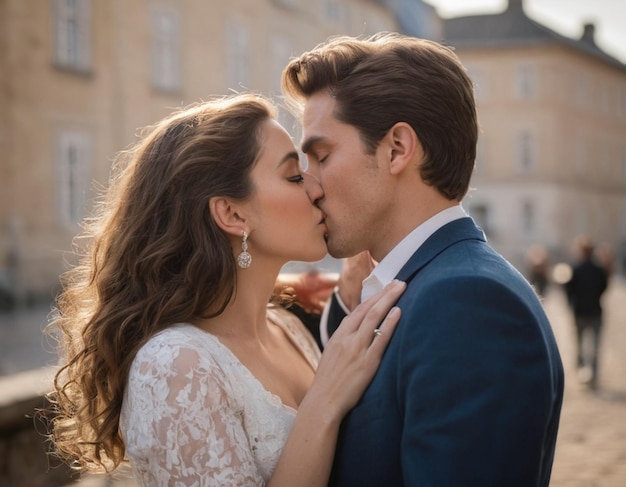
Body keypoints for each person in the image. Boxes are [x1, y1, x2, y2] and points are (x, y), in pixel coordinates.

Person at [45, 93, 407, 486]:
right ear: (232, 214)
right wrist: (325, 403)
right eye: (293, 176)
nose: (316, 188)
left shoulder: (288, 331)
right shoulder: (175, 367)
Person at [282, 32, 564, 486]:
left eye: (322, 156)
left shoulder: (469, 304)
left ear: (396, 148)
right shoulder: (423, 288)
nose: (310, 185)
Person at [565, 235, 609, 389]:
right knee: (595, 345)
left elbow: (569, 290)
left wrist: (571, 303)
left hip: (580, 311)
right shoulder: (599, 270)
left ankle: (580, 370)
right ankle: (594, 375)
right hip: (596, 310)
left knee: (579, 343)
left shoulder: (576, 269)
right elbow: (604, 287)